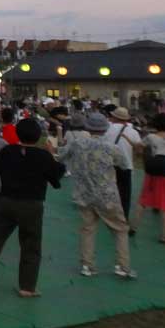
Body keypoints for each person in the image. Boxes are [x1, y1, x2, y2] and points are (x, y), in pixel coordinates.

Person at [0, 118, 66, 297]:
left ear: (17, 134)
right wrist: (52, 155)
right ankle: (27, 287)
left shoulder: (8, 151)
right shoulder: (43, 156)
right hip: (32, 205)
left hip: (6, 202)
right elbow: (56, 178)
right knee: (31, 244)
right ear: (39, 135)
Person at [56, 113, 137, 279]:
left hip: (84, 194)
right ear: (105, 128)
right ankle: (123, 266)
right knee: (120, 229)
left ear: (88, 126)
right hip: (107, 195)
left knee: (88, 229)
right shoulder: (111, 147)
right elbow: (122, 164)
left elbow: (61, 155)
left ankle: (87, 265)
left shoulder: (77, 144)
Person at [132, 113, 165, 244]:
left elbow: (138, 146)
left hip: (152, 170)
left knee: (143, 200)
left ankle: (133, 228)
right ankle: (163, 236)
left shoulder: (151, 137)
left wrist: (140, 154)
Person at [104, 106, 142, 225]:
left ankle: (108, 215)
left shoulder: (107, 129)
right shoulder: (134, 131)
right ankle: (123, 217)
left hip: (109, 164)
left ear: (114, 117)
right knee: (125, 194)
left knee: (109, 191)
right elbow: (139, 150)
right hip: (127, 166)